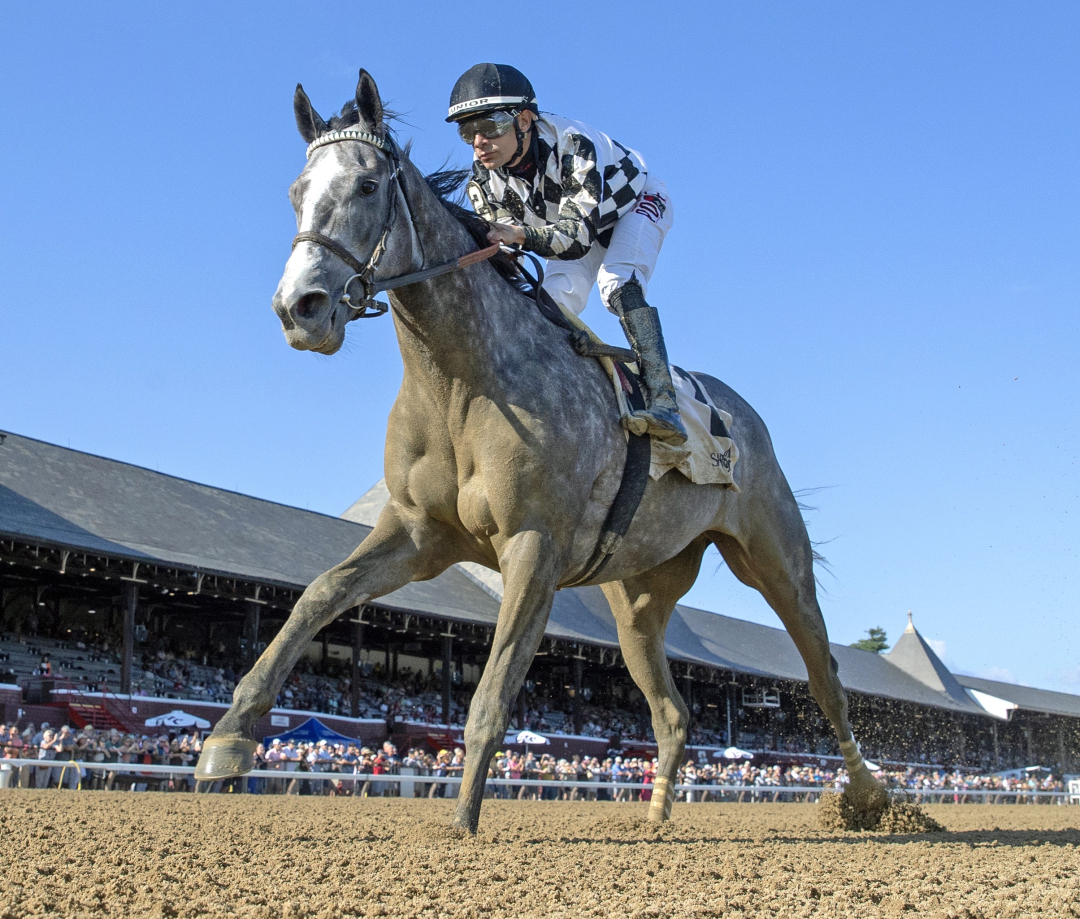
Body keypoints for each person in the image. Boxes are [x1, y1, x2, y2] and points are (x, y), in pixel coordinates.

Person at [446, 63, 687, 445]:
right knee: (552, 302)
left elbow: (574, 239)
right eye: (466, 131)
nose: (478, 141)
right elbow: (512, 258)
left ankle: (664, 402)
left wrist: (518, 235)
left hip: (634, 203)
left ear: (524, 120)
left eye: (489, 126)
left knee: (617, 283)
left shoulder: (573, 143)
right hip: (567, 224)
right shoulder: (481, 182)